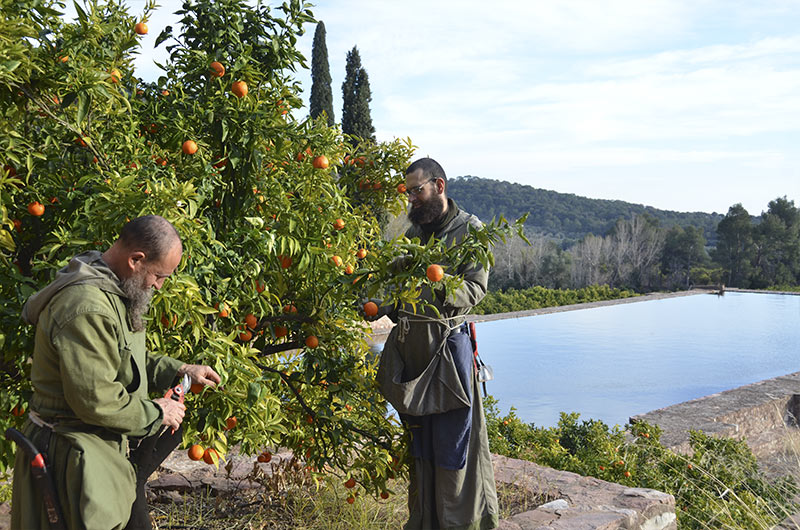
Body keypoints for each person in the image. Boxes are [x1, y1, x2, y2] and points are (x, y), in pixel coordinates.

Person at [11, 215, 221, 530]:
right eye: (159, 275)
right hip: (71, 456)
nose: (159, 286)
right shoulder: (86, 307)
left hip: (95, 449)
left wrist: (179, 369)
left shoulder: (111, 287)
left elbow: (124, 358)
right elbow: (96, 399)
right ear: (136, 260)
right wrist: (156, 412)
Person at [373, 158, 499, 529]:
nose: (411, 198)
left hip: (447, 356)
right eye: (408, 192)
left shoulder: (470, 230)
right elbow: (406, 293)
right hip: (413, 356)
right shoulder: (417, 235)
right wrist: (385, 306)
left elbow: (476, 288)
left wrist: (441, 283)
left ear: (439, 187)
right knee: (422, 448)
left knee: (452, 449)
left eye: (417, 190)